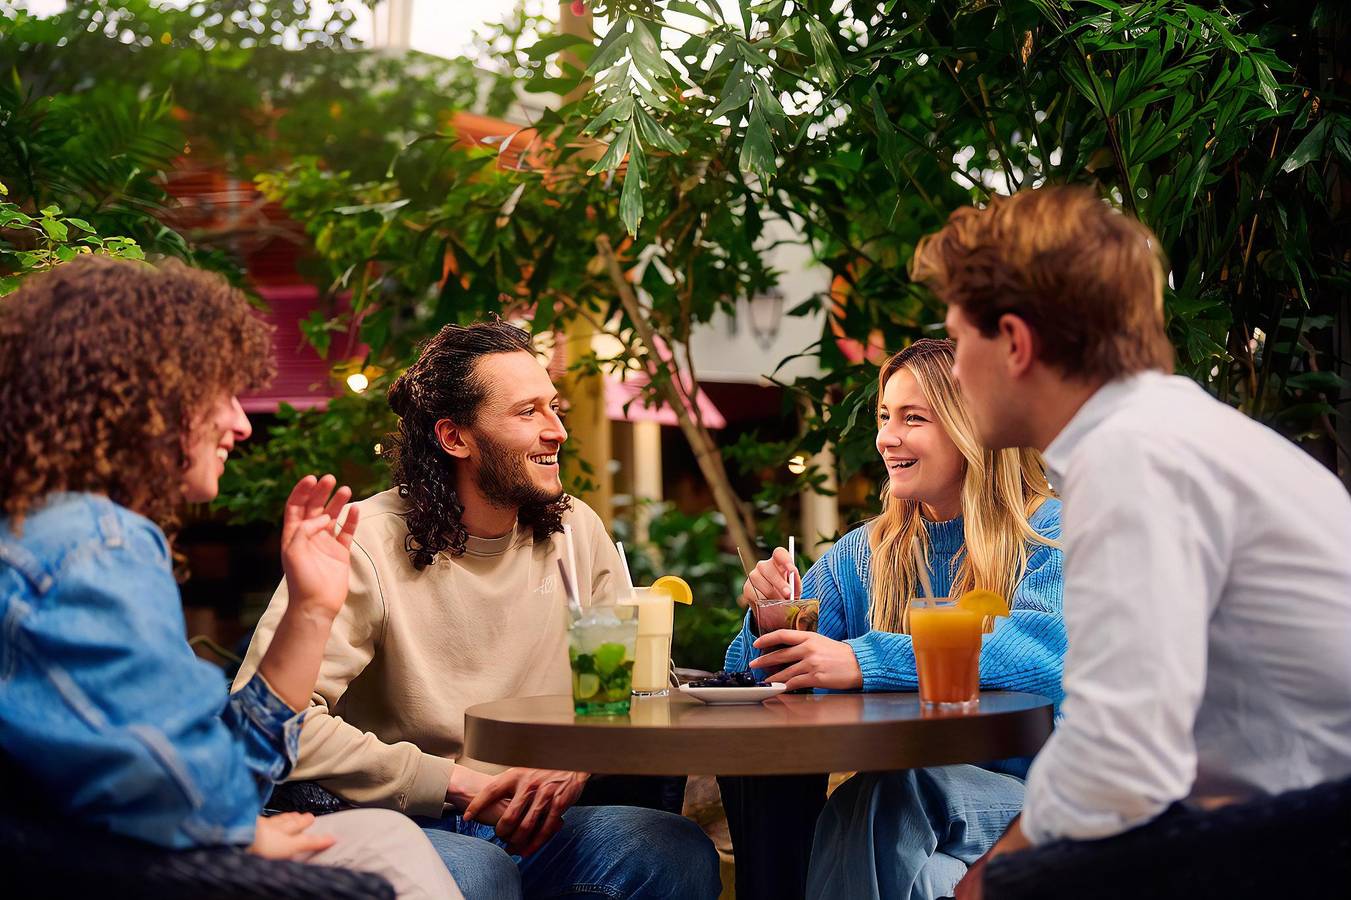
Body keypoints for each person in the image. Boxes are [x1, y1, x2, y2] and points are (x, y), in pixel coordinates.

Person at [904, 185, 1351, 899]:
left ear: (1015, 343)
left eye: (958, 341)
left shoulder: (1132, 456)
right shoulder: (1166, 435)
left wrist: (990, 881)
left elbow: (1119, 764)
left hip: (1305, 838)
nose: (953, 371)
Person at [0, 256, 462, 899]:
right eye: (219, 392)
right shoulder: (92, 543)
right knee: (385, 855)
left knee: (391, 840)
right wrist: (234, 829)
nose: (242, 422)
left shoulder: (56, 529)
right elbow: (186, 783)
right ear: (144, 398)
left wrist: (311, 609)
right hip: (139, 871)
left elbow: (229, 766)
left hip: (110, 857)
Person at [234, 319, 721, 900]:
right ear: (455, 437)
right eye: (527, 412)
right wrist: (451, 783)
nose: (557, 431)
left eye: (554, 407)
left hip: (540, 823)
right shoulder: (363, 543)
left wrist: (578, 762)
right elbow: (276, 724)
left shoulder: (575, 532)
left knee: (670, 849)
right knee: (476, 872)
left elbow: (636, 688)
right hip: (405, 819)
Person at [720, 339, 1066, 900]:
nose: (885, 437)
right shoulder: (864, 553)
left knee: (882, 798)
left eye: (913, 418)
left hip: (1040, 801)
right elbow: (755, 677)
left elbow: (1048, 653)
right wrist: (768, 620)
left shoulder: (1048, 534)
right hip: (916, 813)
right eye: (884, 417)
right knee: (918, 871)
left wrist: (862, 658)